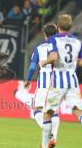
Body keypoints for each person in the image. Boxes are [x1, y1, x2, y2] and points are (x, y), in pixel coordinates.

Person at [40, 14, 82, 148]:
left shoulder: (54, 39)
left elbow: (53, 57)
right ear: (70, 27)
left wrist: (43, 62)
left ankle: (45, 145)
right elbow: (80, 62)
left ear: (58, 27)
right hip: (73, 81)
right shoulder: (77, 41)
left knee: (48, 113)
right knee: (77, 110)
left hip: (59, 81)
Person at [24, 23, 60, 142]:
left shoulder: (40, 48)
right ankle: (53, 137)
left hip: (44, 84)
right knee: (52, 111)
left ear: (45, 35)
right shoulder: (60, 47)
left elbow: (33, 66)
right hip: (58, 83)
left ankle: (48, 133)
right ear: (56, 34)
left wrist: (28, 79)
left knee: (37, 110)